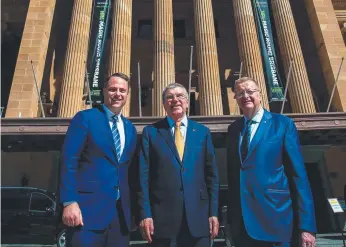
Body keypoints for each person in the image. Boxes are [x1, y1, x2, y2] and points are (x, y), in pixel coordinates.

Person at [227, 77, 316, 247]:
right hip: (242, 227)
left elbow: (298, 176)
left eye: (250, 91)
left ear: (260, 94)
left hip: (276, 220)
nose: (245, 96)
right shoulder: (234, 129)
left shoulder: (282, 124)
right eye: (240, 93)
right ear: (236, 99)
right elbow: (233, 176)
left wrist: (307, 227)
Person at [59, 73, 138, 247]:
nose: (118, 94)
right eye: (113, 89)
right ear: (104, 91)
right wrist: (69, 201)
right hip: (87, 212)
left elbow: (130, 172)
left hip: (120, 217)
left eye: (122, 90)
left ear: (127, 94)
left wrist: (134, 212)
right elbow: (69, 161)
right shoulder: (85, 118)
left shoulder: (130, 128)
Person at [138, 83, 219, 247]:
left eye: (180, 96)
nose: (175, 100)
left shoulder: (202, 132)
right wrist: (144, 214)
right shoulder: (151, 132)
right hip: (161, 220)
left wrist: (214, 213)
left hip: (199, 217)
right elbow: (143, 177)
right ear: (164, 104)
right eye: (169, 97)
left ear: (187, 102)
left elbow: (212, 176)